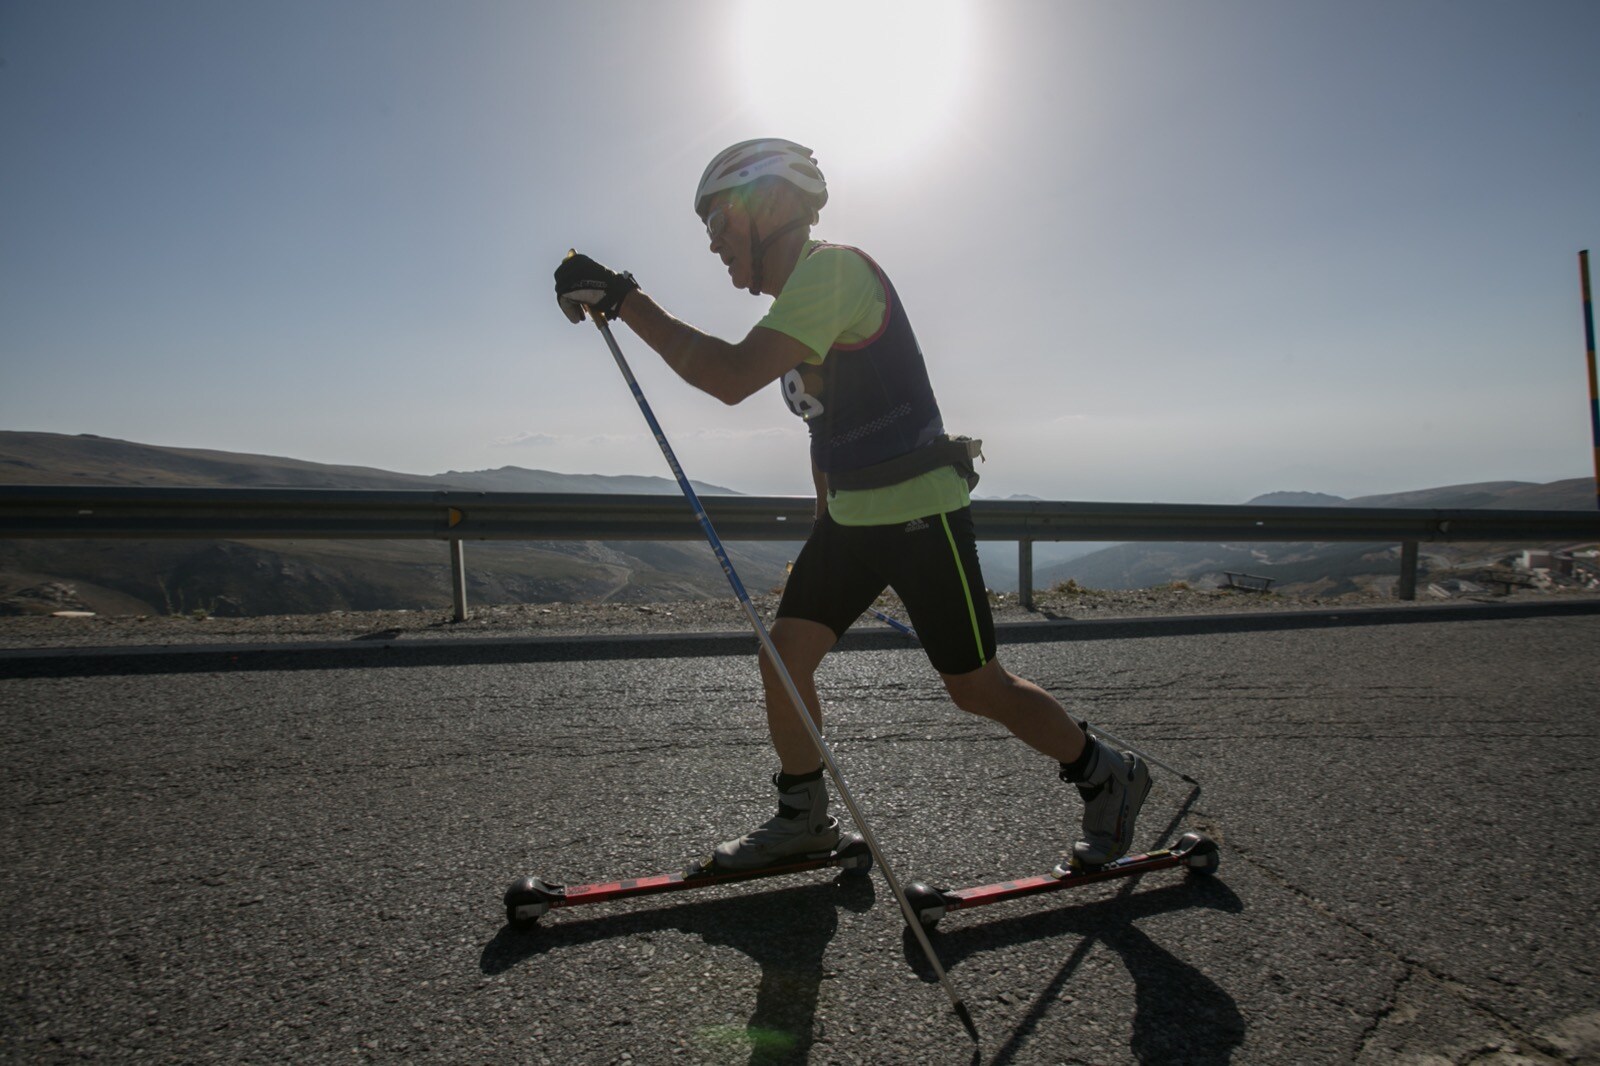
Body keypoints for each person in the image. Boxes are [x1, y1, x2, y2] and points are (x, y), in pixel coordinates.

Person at [553, 138, 1149, 875]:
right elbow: (822, 427)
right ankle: (804, 818)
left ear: (773, 207)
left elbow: (731, 376)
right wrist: (824, 521)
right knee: (784, 658)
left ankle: (1106, 773)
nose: (711, 242)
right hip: (853, 523)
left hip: (920, 515)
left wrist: (625, 299)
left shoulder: (834, 271)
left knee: (977, 689)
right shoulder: (801, 300)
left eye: (719, 221)